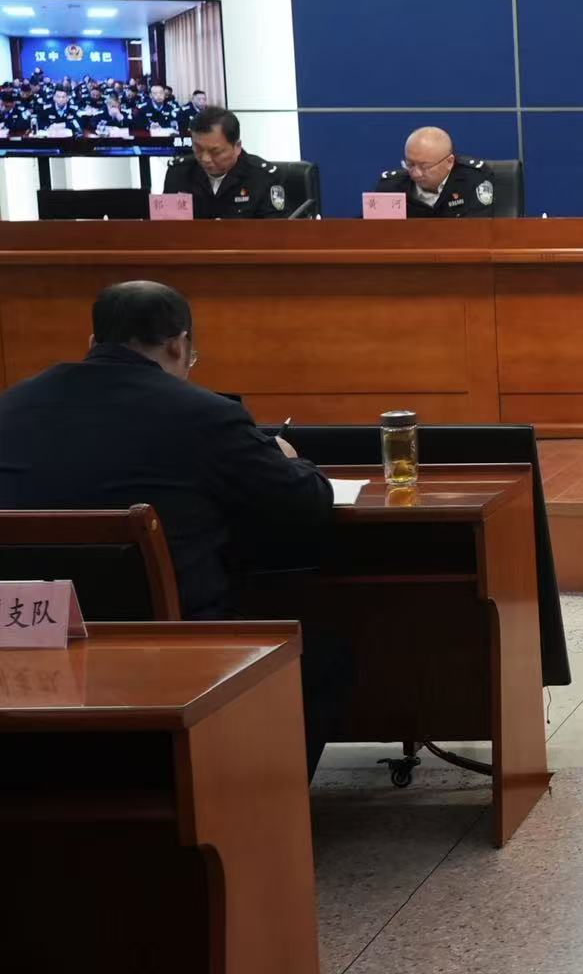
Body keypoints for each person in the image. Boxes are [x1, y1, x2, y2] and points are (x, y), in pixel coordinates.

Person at [0, 281, 343, 773]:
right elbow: (306, 505)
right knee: (323, 658)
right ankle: (247, 808)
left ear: (94, 341)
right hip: (171, 652)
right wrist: (290, 459)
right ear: (180, 345)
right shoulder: (204, 415)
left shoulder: (10, 407)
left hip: (30, 644)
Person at [163, 107, 288, 218]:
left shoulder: (263, 178)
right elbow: (167, 226)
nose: (205, 159)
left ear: (237, 146)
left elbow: (275, 231)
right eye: (198, 149)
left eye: (215, 152)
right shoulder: (178, 173)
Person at [375, 125, 500, 217]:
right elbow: (374, 233)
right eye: (410, 165)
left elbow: (479, 230)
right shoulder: (391, 187)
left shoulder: (472, 179)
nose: (416, 173)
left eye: (425, 166)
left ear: (449, 162)